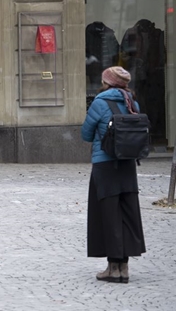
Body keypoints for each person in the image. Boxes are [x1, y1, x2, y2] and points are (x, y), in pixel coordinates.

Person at [81, 66, 146, 284]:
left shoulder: (100, 102)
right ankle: (124, 268)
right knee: (128, 214)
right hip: (127, 165)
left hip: (105, 165)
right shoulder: (132, 102)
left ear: (107, 82)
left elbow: (86, 134)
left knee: (107, 215)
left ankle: (112, 268)